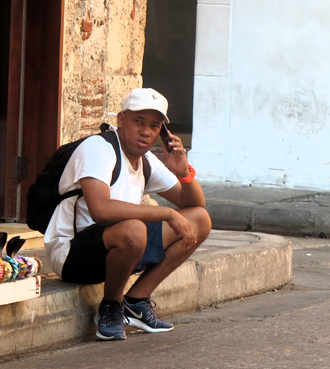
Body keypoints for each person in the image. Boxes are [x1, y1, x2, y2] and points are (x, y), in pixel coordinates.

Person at [44, 88, 211, 341]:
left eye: (154, 126)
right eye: (138, 122)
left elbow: (196, 205)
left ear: (161, 133)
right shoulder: (98, 148)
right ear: (121, 121)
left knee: (199, 220)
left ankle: (136, 301)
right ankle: (111, 307)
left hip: (121, 248)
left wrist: (183, 171)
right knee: (134, 229)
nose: (146, 131)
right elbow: (101, 210)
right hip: (72, 254)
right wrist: (166, 213)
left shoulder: (146, 160)